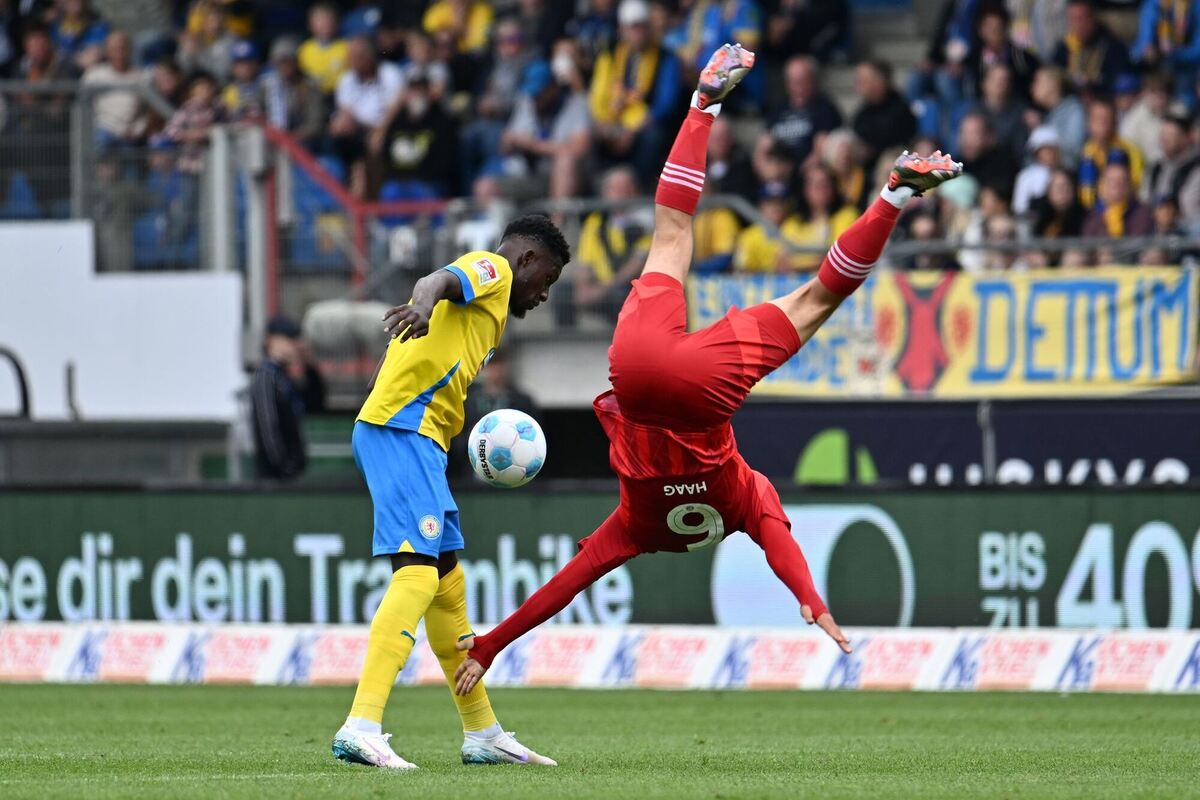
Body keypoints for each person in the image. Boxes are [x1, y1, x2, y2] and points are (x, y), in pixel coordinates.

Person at [451, 44, 963, 699]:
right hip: (639, 381)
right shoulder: (636, 528)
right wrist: (491, 642)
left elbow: (780, 548)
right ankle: (711, 108)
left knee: (805, 295)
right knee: (680, 238)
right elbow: (568, 582)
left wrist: (812, 596)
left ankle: (884, 191)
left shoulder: (743, 500)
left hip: (696, 389)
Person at [330, 213, 570, 769]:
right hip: (404, 430)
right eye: (548, 281)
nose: (542, 296)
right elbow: (438, 281)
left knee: (445, 581)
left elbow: (424, 344)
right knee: (415, 571)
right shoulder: (495, 270)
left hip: (421, 439)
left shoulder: (488, 314)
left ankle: (481, 731)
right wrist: (420, 304)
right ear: (528, 261)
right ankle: (361, 723)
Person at [589, 0, 681, 185]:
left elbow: (665, 104)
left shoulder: (666, 57)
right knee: (587, 136)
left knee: (653, 137)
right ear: (622, 29)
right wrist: (604, 124)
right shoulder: (610, 54)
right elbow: (598, 95)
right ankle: (603, 189)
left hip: (643, 125)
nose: (637, 33)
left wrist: (632, 131)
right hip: (614, 123)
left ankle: (640, 187)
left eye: (641, 26)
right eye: (632, 28)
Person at [554, 165, 651, 326]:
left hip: (625, 285)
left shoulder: (645, 222)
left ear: (634, 191)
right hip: (599, 283)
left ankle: (622, 344)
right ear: (605, 193)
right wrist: (582, 287)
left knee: (623, 295)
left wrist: (601, 290)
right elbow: (584, 263)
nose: (620, 194)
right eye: (614, 189)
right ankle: (567, 342)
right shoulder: (595, 221)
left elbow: (634, 266)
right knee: (562, 291)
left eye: (625, 189)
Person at [756, 55, 842, 169]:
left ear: (813, 80)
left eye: (802, 81)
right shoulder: (779, 109)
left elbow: (820, 151)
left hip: (809, 171)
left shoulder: (825, 108)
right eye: (793, 81)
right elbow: (764, 145)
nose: (798, 87)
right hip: (780, 170)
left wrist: (799, 173)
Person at [251, 317, 308, 480]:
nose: (295, 346)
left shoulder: (282, 376)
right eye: (289, 339)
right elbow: (267, 425)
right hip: (273, 477)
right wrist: (282, 465)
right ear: (272, 341)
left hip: (286, 473)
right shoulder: (266, 376)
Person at [1051, 0, 1131, 93]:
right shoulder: (1064, 48)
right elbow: (1054, 73)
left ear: (1093, 17)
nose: (1079, 25)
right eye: (1074, 19)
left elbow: (1120, 82)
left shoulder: (1112, 47)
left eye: (1082, 18)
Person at [1078, 96, 1144, 208]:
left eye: (1106, 119)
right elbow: (1086, 194)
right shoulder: (1087, 151)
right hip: (1095, 214)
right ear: (1088, 123)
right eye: (1097, 119)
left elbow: (1135, 189)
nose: (1101, 124)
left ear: (1115, 122)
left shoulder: (1130, 151)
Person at [852, 60, 917, 167]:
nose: (857, 86)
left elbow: (900, 141)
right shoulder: (863, 112)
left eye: (863, 81)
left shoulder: (900, 108)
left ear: (879, 82)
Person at [299, 2, 348, 94]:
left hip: (340, 93)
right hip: (314, 95)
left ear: (336, 24)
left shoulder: (346, 47)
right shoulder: (304, 50)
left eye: (328, 20)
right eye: (319, 20)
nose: (324, 25)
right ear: (310, 25)